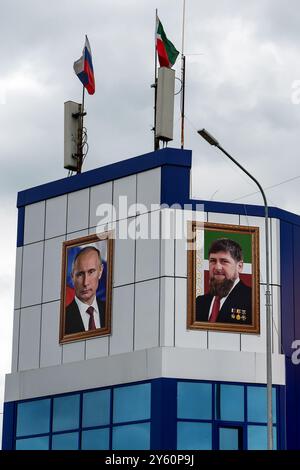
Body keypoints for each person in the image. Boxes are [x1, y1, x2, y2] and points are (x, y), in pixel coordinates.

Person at [196, 238, 252, 324]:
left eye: (224, 261)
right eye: (213, 261)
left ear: (239, 266)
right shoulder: (199, 302)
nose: (217, 267)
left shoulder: (252, 300)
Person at [65, 246, 106, 334]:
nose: (85, 282)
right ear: (73, 277)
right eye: (80, 274)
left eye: (91, 272)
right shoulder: (62, 319)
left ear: (100, 271)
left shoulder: (111, 311)